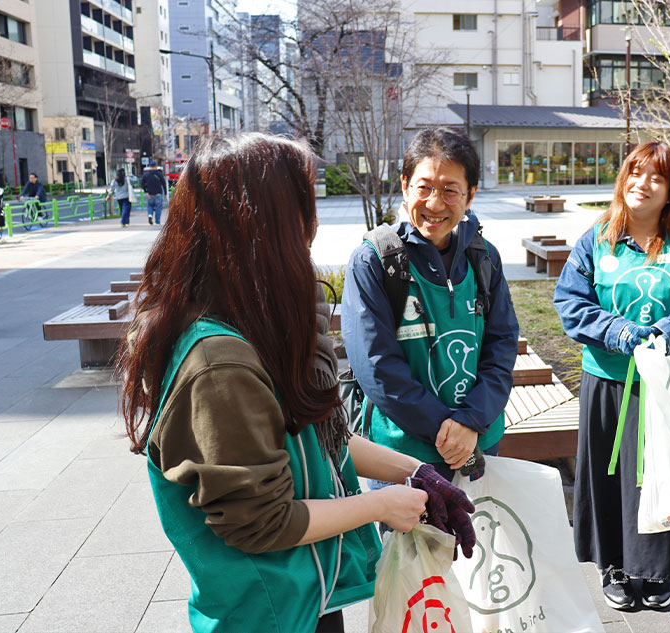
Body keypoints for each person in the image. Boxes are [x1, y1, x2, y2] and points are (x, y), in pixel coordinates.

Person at [118, 133, 476, 633]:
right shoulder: (218, 364)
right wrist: (380, 504)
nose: (314, 226)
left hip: (305, 597)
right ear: (264, 224)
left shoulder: (254, 320)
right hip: (267, 612)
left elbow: (315, 437)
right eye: (305, 206)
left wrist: (414, 472)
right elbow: (262, 521)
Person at [553, 141, 670, 611]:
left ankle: (656, 570)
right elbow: (569, 302)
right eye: (635, 172)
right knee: (611, 476)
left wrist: (669, 333)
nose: (642, 183)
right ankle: (613, 564)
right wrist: (620, 332)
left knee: (664, 473)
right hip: (610, 382)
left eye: (656, 177)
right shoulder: (598, 238)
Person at [341, 126, 519, 484]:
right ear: (405, 185)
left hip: (478, 446)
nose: (435, 204)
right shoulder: (374, 261)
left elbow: (501, 345)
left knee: (477, 524)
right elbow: (377, 367)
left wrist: (471, 421)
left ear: (471, 195)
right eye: (424, 188)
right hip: (402, 459)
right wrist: (450, 433)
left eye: (450, 190)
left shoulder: (484, 257)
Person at [141, 159, 168, 225]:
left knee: (150, 206)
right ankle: (157, 221)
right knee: (158, 207)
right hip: (158, 193)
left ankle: (150, 215)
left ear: (150, 166)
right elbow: (164, 184)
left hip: (150, 194)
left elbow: (142, 183)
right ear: (156, 166)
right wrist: (165, 194)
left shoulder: (146, 174)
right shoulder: (159, 174)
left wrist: (146, 191)